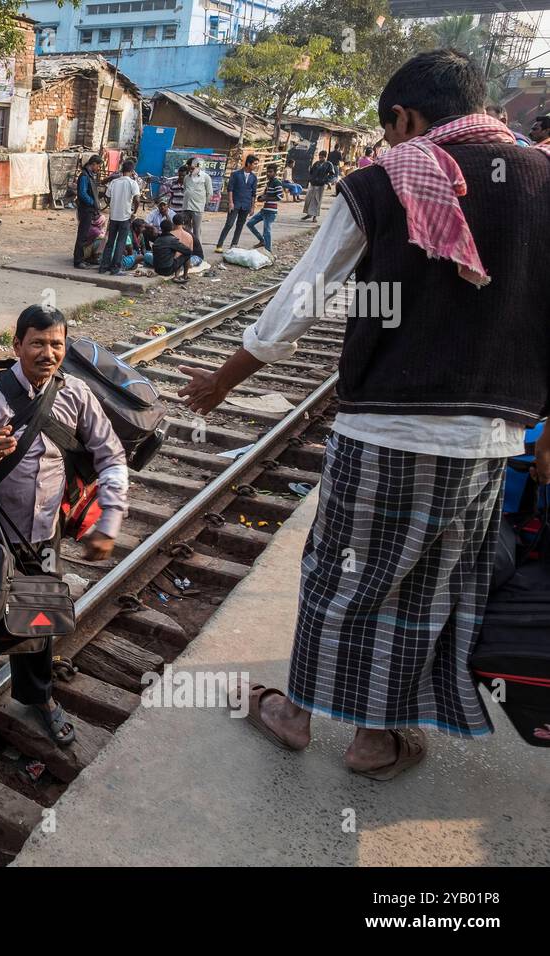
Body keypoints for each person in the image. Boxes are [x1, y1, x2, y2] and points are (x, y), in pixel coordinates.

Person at [178, 49, 550, 777]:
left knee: (339, 579)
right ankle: (375, 740)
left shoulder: (382, 182)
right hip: (486, 442)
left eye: (388, 130)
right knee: (428, 590)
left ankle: (293, 714)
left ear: (405, 119)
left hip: (382, 431)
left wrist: (224, 379)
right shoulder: (542, 181)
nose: (386, 145)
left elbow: (298, 304)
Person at [0, 304, 128, 748]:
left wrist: (110, 518)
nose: (47, 352)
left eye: (56, 344)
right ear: (17, 345)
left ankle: (38, 697)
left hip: (43, 533)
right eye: (37, 342)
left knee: (39, 616)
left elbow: (111, 456)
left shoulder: (76, 394)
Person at [99, 159, 140, 275]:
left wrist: (114, 203)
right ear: (132, 171)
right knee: (120, 243)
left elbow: (107, 196)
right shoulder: (132, 183)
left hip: (113, 217)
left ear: (122, 170)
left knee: (110, 242)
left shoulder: (114, 182)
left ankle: (103, 266)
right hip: (125, 217)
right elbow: (137, 199)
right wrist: (134, 212)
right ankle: (115, 268)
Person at [216, 154, 258, 253]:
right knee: (229, 224)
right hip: (235, 203)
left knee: (240, 225)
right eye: (255, 164)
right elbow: (230, 189)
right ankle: (219, 244)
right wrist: (230, 202)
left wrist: (252, 208)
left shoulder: (254, 177)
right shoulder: (236, 174)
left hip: (246, 205)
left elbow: (254, 193)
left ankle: (234, 245)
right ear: (248, 163)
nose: (256, 165)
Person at [179, 156, 212, 258]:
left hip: (198, 208)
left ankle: (199, 254)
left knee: (197, 231)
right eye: (189, 167)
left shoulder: (205, 177)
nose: (190, 169)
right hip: (186, 207)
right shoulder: (186, 178)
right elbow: (185, 189)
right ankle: (186, 252)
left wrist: (203, 204)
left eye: (192, 167)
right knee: (186, 230)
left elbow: (209, 192)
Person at [72, 155, 100, 268]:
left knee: (85, 234)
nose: (98, 168)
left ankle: (82, 258)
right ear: (93, 164)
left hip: (88, 209)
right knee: (82, 235)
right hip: (85, 209)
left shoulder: (89, 175)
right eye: (98, 166)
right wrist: (92, 202)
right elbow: (82, 194)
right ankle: (78, 260)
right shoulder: (84, 176)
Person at [246, 164, 282, 251]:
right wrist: (261, 197)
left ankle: (268, 250)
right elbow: (266, 194)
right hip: (264, 210)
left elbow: (280, 197)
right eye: (267, 172)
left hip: (271, 211)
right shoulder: (269, 183)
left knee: (267, 231)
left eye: (270, 172)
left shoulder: (277, 183)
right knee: (250, 224)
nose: (268, 174)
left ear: (275, 173)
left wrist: (266, 198)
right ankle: (262, 241)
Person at [152, 218, 193, 284]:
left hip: (157, 269)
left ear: (161, 229)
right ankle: (183, 276)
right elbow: (188, 251)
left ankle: (179, 275)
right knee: (187, 254)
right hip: (167, 270)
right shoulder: (172, 240)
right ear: (172, 228)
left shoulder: (157, 240)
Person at [303, 150, 336, 222]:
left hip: (320, 184)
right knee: (308, 199)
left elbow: (332, 174)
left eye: (322, 157)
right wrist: (310, 179)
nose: (320, 159)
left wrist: (326, 181)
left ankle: (315, 217)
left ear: (325, 157)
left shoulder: (328, 164)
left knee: (317, 200)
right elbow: (311, 172)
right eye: (319, 157)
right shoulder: (316, 163)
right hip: (313, 183)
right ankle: (309, 214)